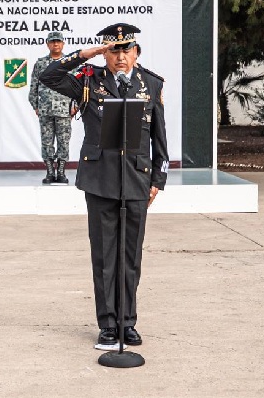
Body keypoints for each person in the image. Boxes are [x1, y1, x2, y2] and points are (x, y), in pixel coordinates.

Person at [39, 23, 169, 347]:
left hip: (137, 180)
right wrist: (86, 54)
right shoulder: (89, 81)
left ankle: (128, 323)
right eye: (113, 50)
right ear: (105, 54)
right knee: (104, 257)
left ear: (136, 53)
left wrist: (158, 179)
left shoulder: (151, 84)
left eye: (126, 50)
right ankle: (108, 325)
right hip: (100, 181)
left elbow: (159, 137)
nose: (120, 56)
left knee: (130, 258)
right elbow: (49, 76)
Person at [28, 31, 74, 184]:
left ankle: (61, 172)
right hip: (45, 109)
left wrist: (75, 105)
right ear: (48, 44)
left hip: (64, 109)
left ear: (63, 44)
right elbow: (34, 86)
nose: (55, 44)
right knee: (47, 142)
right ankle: (49, 172)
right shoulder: (40, 63)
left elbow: (76, 86)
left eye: (58, 41)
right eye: (53, 41)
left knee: (63, 141)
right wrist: (35, 105)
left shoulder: (69, 63)